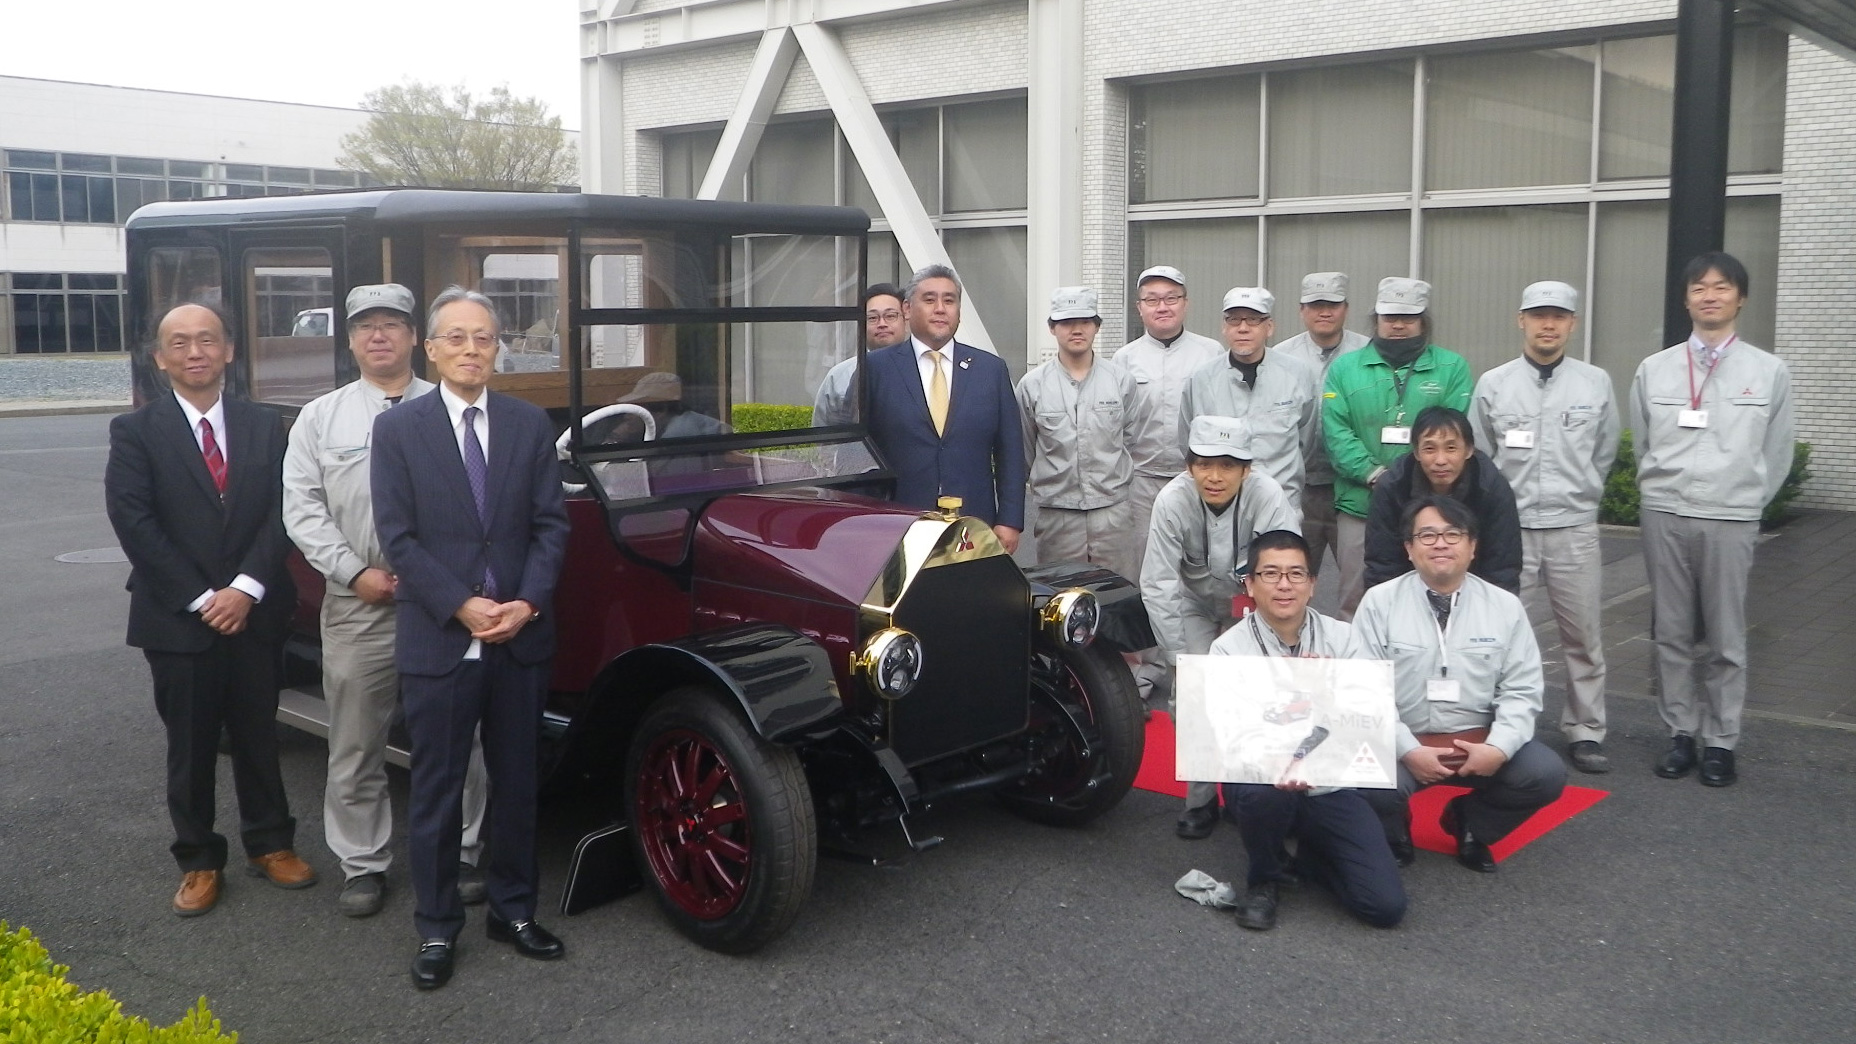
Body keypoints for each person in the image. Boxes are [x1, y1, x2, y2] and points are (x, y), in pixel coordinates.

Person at [371, 286, 571, 989]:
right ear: (431, 349)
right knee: (437, 789)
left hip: (519, 637)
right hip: (440, 637)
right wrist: (460, 604)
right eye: (455, 337)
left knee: (517, 784)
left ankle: (514, 911)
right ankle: (436, 926)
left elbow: (551, 525)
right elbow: (397, 537)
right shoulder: (399, 430)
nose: (470, 349)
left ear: (497, 349)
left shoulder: (527, 424)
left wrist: (527, 603)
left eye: (483, 337)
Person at [283, 284, 490, 918]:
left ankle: (464, 850)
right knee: (355, 742)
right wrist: (352, 573)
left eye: (392, 324)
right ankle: (362, 864)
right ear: (349, 340)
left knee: (460, 739)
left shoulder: (455, 407)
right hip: (359, 604)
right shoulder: (321, 418)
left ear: (416, 339)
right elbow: (302, 509)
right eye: (365, 326)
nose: (379, 335)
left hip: (446, 605)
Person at [105, 302, 315, 917]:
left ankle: (271, 843)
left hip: (255, 611)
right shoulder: (135, 431)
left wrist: (245, 588)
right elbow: (134, 522)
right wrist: (203, 598)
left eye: (206, 340)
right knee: (191, 746)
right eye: (179, 342)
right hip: (178, 618)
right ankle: (198, 859)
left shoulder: (264, 425)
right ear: (159, 357)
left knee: (258, 735)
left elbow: (284, 509)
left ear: (228, 351)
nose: (194, 352)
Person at [1630, 251, 1794, 788]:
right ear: (1686, 299)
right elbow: (1643, 444)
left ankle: (1721, 740)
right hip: (1666, 512)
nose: (1710, 295)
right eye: (1699, 287)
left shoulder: (1768, 371)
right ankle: (1680, 732)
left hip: (1730, 516)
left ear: (1740, 298)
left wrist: (1746, 502)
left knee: (1726, 637)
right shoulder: (1654, 369)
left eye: (1722, 287)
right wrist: (1658, 492)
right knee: (1671, 633)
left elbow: (1778, 451)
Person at [1353, 495, 1567, 873]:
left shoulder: (1504, 606)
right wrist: (1408, 749)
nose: (1440, 543)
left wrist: (1498, 748)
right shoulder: (1378, 603)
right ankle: (1393, 831)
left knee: (1544, 774)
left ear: (1472, 547)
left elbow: (1523, 690)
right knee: (1362, 777)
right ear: (1409, 548)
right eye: (1427, 535)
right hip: (1405, 739)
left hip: (1479, 739)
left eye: (1453, 534)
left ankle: (1471, 823)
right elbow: (1365, 691)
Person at [1213, 530, 1406, 932]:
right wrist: (1276, 759)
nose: (1284, 585)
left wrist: (1329, 694)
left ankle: (1311, 857)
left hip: (1331, 782)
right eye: (1270, 574)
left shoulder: (1345, 639)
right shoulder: (1229, 649)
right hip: (1263, 779)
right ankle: (1264, 877)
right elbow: (1228, 731)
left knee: (1384, 907)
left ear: (1313, 584)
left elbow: (1373, 715)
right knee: (1263, 795)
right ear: (1250, 585)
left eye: (1296, 574)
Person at [1471, 281, 1621, 774]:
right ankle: (1501, 727)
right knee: (1499, 636)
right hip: (1510, 531)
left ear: (1572, 323)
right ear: (1522, 320)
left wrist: (1583, 492)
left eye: (1558, 316)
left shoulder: (1594, 382)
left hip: (1573, 528)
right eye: (1538, 315)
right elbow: (1481, 455)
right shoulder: (1495, 383)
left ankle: (1586, 730)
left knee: (1583, 637)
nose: (1548, 325)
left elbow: (1605, 450)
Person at [1141, 415, 1299, 840]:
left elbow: (1284, 574)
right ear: (1188, 466)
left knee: (1258, 695)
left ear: (1247, 469)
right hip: (1193, 601)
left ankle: (1253, 794)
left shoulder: (1268, 495)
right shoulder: (1171, 501)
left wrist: (1276, 640)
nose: (1215, 477)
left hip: (1252, 604)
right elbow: (1157, 583)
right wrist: (1178, 659)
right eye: (1204, 464)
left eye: (1228, 465)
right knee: (1190, 697)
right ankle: (1201, 800)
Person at [1323, 278, 1472, 619]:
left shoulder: (1452, 368)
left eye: (1408, 317)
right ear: (1376, 319)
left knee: (1432, 597)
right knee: (1356, 600)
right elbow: (1336, 432)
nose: (1399, 325)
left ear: (1423, 320)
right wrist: (1374, 474)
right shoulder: (1345, 369)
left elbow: (1453, 433)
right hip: (1360, 506)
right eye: (1390, 317)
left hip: (1432, 507)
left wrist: (1411, 480)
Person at [864, 264, 1026, 550]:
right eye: (929, 300)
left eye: (949, 300)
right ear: (907, 308)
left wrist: (1010, 521)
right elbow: (857, 451)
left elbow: (1010, 452)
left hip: (974, 527)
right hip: (896, 526)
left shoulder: (990, 370)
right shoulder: (875, 369)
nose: (940, 309)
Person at [1015, 286, 1150, 579]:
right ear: (1052, 328)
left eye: (1085, 321)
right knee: (1060, 596)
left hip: (1112, 514)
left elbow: (1129, 439)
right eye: (1066, 322)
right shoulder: (1031, 386)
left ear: (1097, 326)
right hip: (1057, 516)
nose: (1076, 330)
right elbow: (1025, 450)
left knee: (1117, 594)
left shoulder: (1121, 381)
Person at [1115, 265, 1226, 579]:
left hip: (1197, 478)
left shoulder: (1211, 353)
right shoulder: (1124, 359)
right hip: (1141, 482)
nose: (1162, 307)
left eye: (1171, 298)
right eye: (1152, 300)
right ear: (1139, 308)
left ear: (1185, 303)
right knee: (1146, 567)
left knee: (1202, 564)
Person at [1177, 286, 1320, 511]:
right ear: (1224, 327)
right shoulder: (1201, 379)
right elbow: (1187, 440)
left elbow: (1307, 440)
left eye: (1253, 320)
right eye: (1234, 320)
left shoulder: (1298, 374)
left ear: (1269, 327)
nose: (1243, 328)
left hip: (1281, 502)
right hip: (1220, 505)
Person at [1363, 406, 1521, 594]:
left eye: (1451, 448)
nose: (1440, 460)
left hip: (1475, 587)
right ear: (1416, 452)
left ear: (1469, 450)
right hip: (1409, 587)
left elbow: (1502, 566)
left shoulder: (1492, 487)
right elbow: (1382, 563)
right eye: (1429, 449)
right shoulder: (1393, 487)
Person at [1274, 273, 1369, 573]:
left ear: (1346, 308)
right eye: (1316, 306)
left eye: (1333, 305)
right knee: (1293, 575)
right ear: (1301, 310)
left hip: (1353, 486)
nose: (1324, 312)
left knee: (1359, 578)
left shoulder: (1368, 354)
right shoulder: (1280, 357)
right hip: (1299, 486)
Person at [813, 283, 908, 427]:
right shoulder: (839, 376)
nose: (882, 323)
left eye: (890, 316)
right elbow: (824, 434)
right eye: (872, 318)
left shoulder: (925, 369)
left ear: (906, 321)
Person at [616, 371, 728, 438]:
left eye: (636, 409)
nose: (627, 416)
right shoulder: (687, 421)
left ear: (661, 410)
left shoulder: (676, 437)